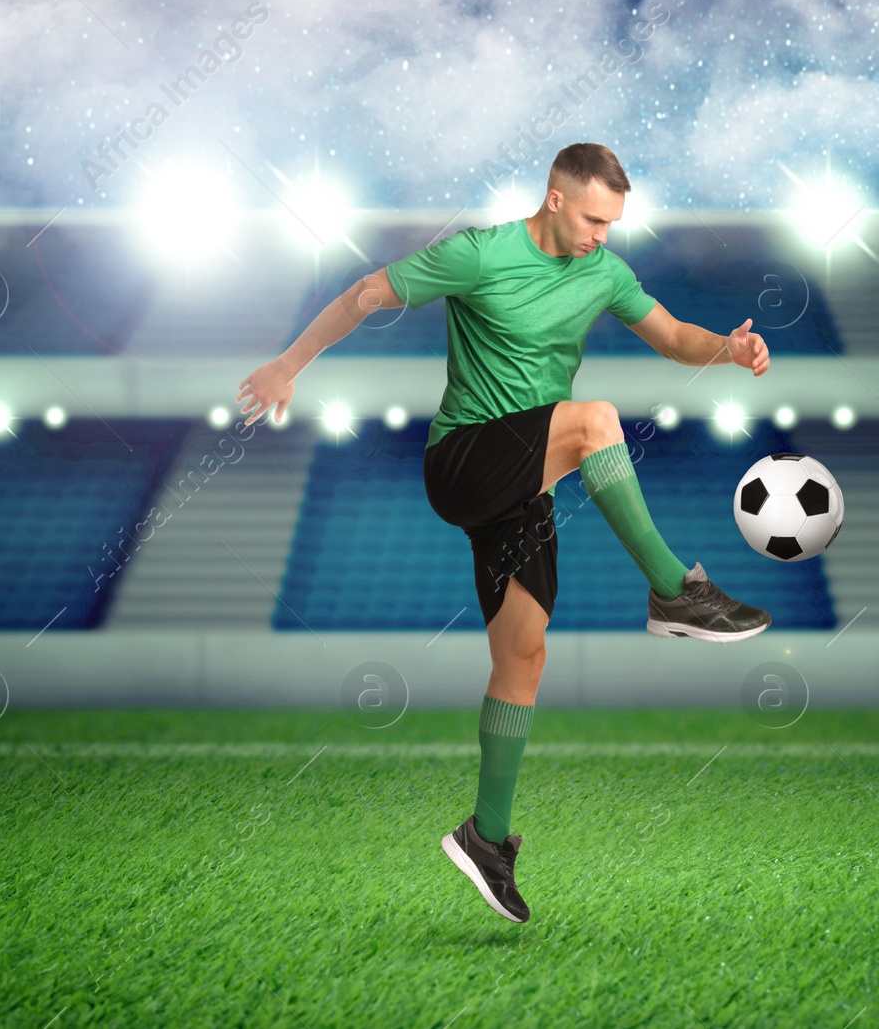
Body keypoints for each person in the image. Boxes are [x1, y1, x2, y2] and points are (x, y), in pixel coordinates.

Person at [236, 142, 772, 924]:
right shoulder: (479, 255)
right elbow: (365, 293)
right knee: (595, 420)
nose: (602, 235)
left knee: (522, 654)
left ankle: (485, 837)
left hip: (525, 483)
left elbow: (672, 335)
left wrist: (729, 348)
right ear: (555, 199)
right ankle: (674, 592)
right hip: (464, 459)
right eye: (593, 218)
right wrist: (290, 363)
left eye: (614, 223)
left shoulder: (604, 271)